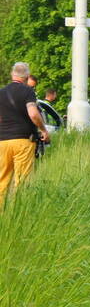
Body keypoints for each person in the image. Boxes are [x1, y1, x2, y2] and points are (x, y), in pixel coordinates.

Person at [0, 62, 48, 204]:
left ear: (12, 75)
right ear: (27, 77)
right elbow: (33, 114)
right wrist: (43, 129)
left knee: (2, 180)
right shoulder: (28, 91)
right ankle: (18, 213)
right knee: (22, 181)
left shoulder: (1, 92)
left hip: (2, 142)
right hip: (23, 141)